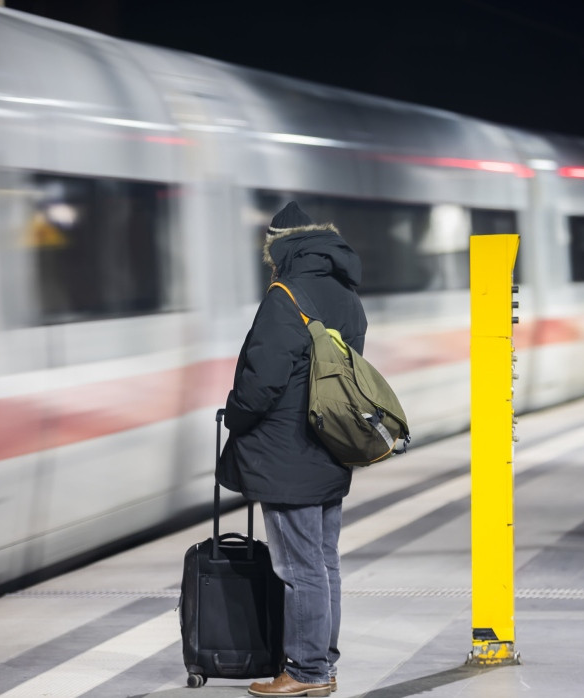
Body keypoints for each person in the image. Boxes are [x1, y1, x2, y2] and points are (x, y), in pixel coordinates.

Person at [218, 201, 367, 697]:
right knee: (324, 562)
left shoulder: (286, 295)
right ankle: (322, 662)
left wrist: (234, 416)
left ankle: (305, 672)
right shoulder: (348, 294)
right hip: (330, 444)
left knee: (299, 567)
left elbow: (261, 383)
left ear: (279, 246)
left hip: (286, 454)